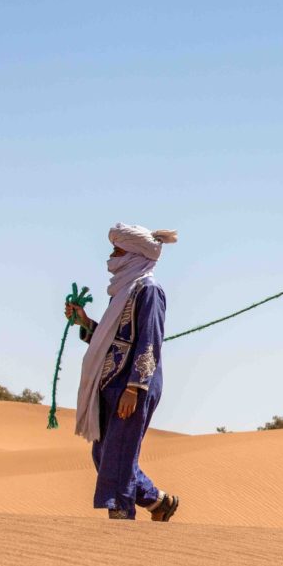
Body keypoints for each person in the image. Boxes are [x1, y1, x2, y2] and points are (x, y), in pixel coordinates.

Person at [65, 223, 180, 521]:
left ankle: (121, 528)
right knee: (104, 455)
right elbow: (113, 340)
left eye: (118, 251)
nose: (111, 258)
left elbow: (148, 340)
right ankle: (158, 502)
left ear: (133, 255)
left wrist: (135, 387)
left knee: (117, 458)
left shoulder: (149, 291)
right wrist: (86, 323)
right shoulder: (123, 292)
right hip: (111, 384)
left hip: (131, 388)